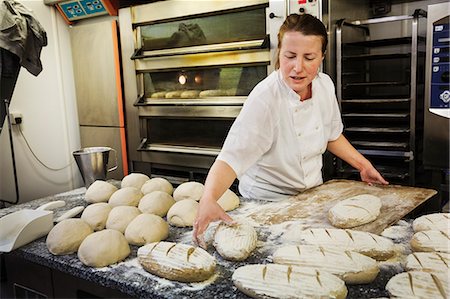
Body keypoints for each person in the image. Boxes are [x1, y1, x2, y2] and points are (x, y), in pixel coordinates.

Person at [192, 13, 388, 247]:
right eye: (290, 56)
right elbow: (231, 158)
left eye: (309, 57)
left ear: (322, 57)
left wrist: (363, 165)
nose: (298, 67)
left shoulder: (324, 85)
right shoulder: (265, 98)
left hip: (311, 198)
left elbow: (331, 135)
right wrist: (209, 198)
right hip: (267, 204)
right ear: (279, 54)